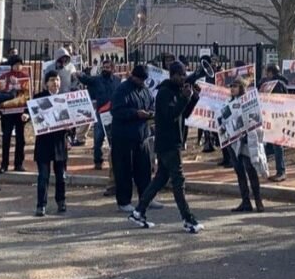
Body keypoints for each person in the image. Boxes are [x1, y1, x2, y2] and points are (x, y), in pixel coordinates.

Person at [129, 61, 203, 233]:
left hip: (172, 142)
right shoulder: (164, 92)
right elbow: (171, 115)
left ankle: (138, 211)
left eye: (185, 75)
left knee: (160, 179)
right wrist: (184, 97)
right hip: (168, 143)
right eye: (181, 75)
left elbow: (183, 114)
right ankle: (187, 218)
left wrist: (193, 98)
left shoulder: (176, 91)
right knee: (178, 181)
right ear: (173, 75)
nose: (184, 78)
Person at [110, 64, 156, 212]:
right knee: (123, 170)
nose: (141, 82)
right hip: (123, 137)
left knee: (144, 170)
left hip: (142, 136)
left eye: (143, 80)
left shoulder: (145, 90)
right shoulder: (122, 90)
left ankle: (147, 197)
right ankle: (124, 201)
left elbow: (151, 104)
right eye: (139, 79)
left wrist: (150, 113)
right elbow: (116, 111)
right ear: (133, 76)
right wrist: (135, 113)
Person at [29, 71, 69, 216]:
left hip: (60, 143)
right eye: (52, 80)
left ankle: (61, 202)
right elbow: (31, 114)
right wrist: (26, 115)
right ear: (46, 83)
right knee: (43, 176)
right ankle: (41, 205)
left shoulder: (64, 98)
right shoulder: (39, 98)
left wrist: (70, 130)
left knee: (61, 176)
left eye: (57, 79)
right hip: (44, 143)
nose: (55, 83)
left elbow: (72, 120)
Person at [78, 59, 120, 170]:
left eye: (108, 67)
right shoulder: (97, 80)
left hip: (114, 114)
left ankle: (115, 162)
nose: (105, 69)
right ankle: (98, 161)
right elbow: (85, 80)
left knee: (114, 140)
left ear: (113, 69)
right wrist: (78, 74)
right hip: (101, 113)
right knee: (98, 139)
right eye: (104, 67)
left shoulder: (117, 81)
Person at [227, 80, 264, 212]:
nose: (232, 88)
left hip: (247, 142)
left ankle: (258, 200)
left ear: (241, 88)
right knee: (239, 172)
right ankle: (245, 201)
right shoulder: (229, 103)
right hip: (234, 143)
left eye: (235, 86)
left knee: (251, 171)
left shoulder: (248, 102)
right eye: (231, 86)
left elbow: (256, 119)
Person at [0, 54, 30, 173]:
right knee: (6, 138)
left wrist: (27, 111)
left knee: (20, 139)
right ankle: (4, 164)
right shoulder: (4, 77)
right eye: (15, 64)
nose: (18, 67)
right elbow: (0, 92)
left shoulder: (25, 77)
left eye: (19, 64)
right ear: (11, 66)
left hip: (20, 111)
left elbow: (28, 95)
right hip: (7, 112)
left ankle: (18, 163)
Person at [259, 63, 289, 182]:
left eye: (267, 71)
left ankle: (281, 171)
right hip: (275, 116)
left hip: (274, 117)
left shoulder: (272, 84)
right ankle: (275, 169)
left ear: (270, 72)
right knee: (272, 144)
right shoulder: (281, 83)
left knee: (277, 145)